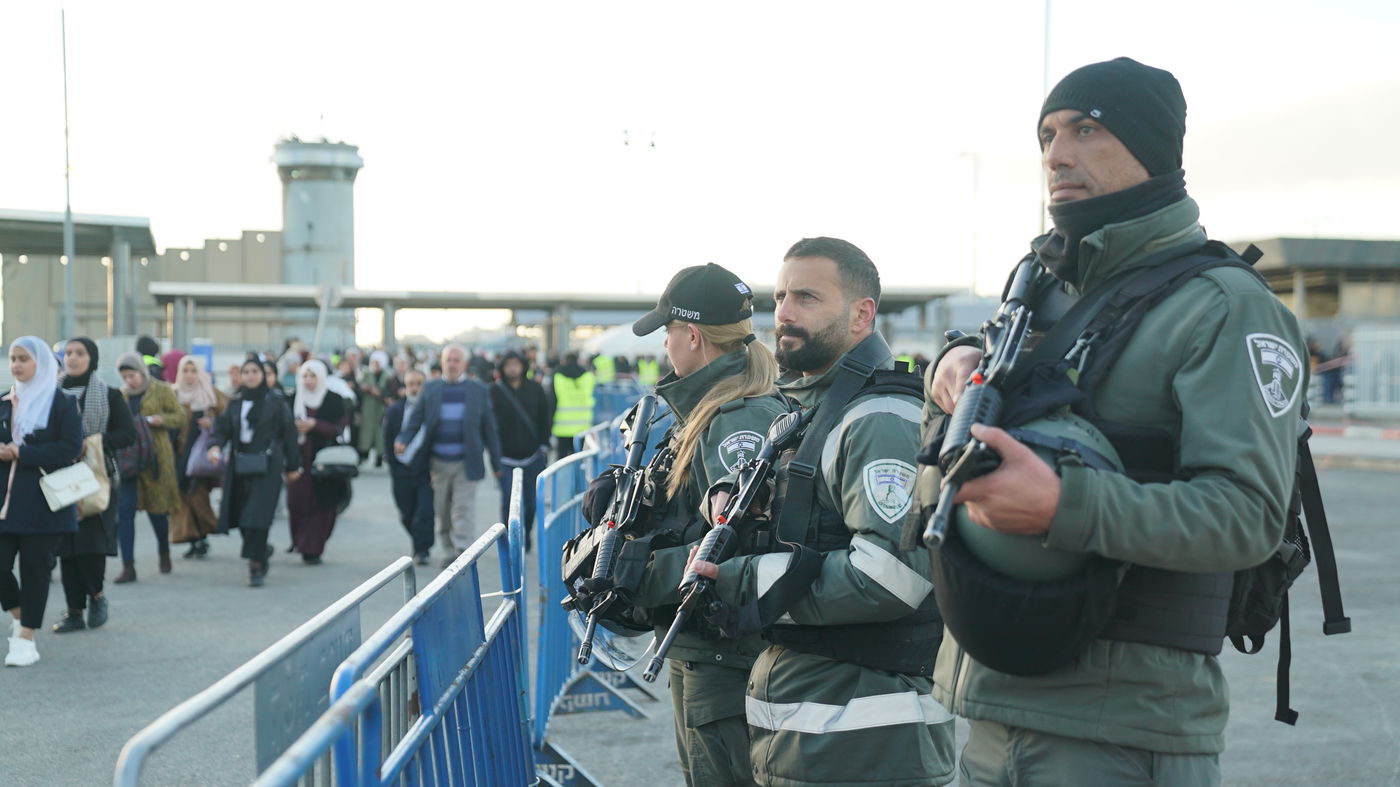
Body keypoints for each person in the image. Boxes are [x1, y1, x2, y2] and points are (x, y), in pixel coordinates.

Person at [924, 58, 1307, 785]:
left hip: (1123, 729)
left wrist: (1066, 505)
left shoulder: (1223, 304)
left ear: (1151, 148)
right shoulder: (1035, 293)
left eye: (1086, 130)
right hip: (993, 711)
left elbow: (1248, 516)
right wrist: (956, 366)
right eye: (1046, 136)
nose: (1056, 155)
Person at [684, 238, 954, 786]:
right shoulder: (809, 412)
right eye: (780, 295)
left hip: (867, 741)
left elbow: (893, 576)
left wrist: (738, 578)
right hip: (809, 734)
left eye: (806, 296)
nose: (783, 312)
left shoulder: (878, 416)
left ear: (862, 314)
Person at [599, 263, 790, 786]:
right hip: (705, 650)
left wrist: (635, 571)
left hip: (722, 653)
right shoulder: (714, 409)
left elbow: (739, 547)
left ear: (693, 335)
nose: (664, 344)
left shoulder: (736, 419)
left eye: (668, 332)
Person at [0, 336, 83, 666]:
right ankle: (21, 615)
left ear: (41, 363)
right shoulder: (6, 401)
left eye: (24, 359)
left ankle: (26, 639)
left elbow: (69, 448)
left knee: (35, 569)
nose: (17, 365)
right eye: (13, 359)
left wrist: (22, 452)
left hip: (44, 502)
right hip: (5, 502)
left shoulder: (60, 402)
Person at [52, 338, 135, 633]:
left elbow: (128, 434)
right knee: (66, 549)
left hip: (97, 477)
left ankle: (96, 597)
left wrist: (94, 443)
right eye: (68, 353)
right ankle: (74, 611)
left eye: (80, 353)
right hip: (60, 478)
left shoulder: (109, 395)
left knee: (90, 545)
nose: (72, 358)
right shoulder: (51, 394)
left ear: (92, 358)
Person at [394, 344, 502, 567]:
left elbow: (489, 427)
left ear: (464, 364)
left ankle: (462, 551)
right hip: (438, 462)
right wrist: (404, 439)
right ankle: (448, 548)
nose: (452, 364)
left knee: (462, 508)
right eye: (448, 360)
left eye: (456, 360)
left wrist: (496, 461)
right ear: (442, 363)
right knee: (442, 510)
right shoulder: (431, 389)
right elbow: (416, 418)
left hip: (466, 461)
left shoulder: (478, 390)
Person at [207, 359, 300, 586]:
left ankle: (256, 565)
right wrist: (215, 445)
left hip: (268, 466)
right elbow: (222, 429)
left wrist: (293, 466)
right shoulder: (236, 403)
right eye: (246, 372)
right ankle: (260, 550)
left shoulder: (276, 402)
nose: (250, 376)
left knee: (257, 517)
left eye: (255, 371)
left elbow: (289, 435)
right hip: (240, 466)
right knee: (242, 516)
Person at [114, 352, 186, 582]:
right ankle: (128, 565)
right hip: (128, 459)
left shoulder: (162, 389)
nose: (129, 381)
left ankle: (164, 552)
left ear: (142, 372)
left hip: (155, 458)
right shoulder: (121, 395)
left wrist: (160, 419)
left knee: (157, 510)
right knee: (124, 512)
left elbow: (180, 417)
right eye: (125, 376)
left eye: (132, 375)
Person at [287, 360, 352, 564]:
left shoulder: (334, 400)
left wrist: (315, 425)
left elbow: (340, 428)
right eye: (305, 376)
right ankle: (302, 541)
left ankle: (313, 547)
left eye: (313, 376)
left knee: (323, 506)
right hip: (299, 463)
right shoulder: (292, 400)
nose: (308, 380)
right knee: (297, 503)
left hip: (326, 466)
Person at [170, 355, 229, 559]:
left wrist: (213, 423)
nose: (189, 375)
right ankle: (193, 538)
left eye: (193, 371)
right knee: (182, 498)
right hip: (177, 455)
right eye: (185, 371)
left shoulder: (212, 395)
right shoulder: (173, 394)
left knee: (197, 496)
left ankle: (203, 533)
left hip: (201, 457)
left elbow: (229, 420)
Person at [489, 350, 550, 547]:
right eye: (508, 365)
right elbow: (489, 426)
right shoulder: (494, 391)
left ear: (523, 366)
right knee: (508, 500)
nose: (512, 368)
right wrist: (494, 457)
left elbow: (545, 417)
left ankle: (526, 534)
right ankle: (509, 539)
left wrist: (544, 444)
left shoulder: (535, 389)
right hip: (505, 458)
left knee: (531, 503)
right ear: (502, 368)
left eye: (516, 364)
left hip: (532, 457)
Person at [384, 369, 433, 564]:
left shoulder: (432, 409)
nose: (414, 388)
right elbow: (387, 438)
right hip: (401, 468)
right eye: (411, 384)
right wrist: (392, 464)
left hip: (425, 468)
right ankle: (417, 539)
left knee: (425, 510)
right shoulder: (395, 409)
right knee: (406, 512)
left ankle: (422, 549)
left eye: (419, 383)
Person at [550, 352, 595, 458]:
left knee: (562, 459)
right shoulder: (588, 376)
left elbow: (552, 401)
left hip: (562, 426)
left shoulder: (557, 377)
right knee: (578, 459)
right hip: (582, 425)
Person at [358, 350, 394, 466]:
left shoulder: (388, 376)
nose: (375, 365)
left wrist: (378, 393)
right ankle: (364, 455)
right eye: (373, 362)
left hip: (382, 410)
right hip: (368, 410)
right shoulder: (366, 374)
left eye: (378, 362)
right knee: (366, 433)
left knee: (380, 434)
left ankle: (379, 458)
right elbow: (359, 389)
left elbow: (389, 393)